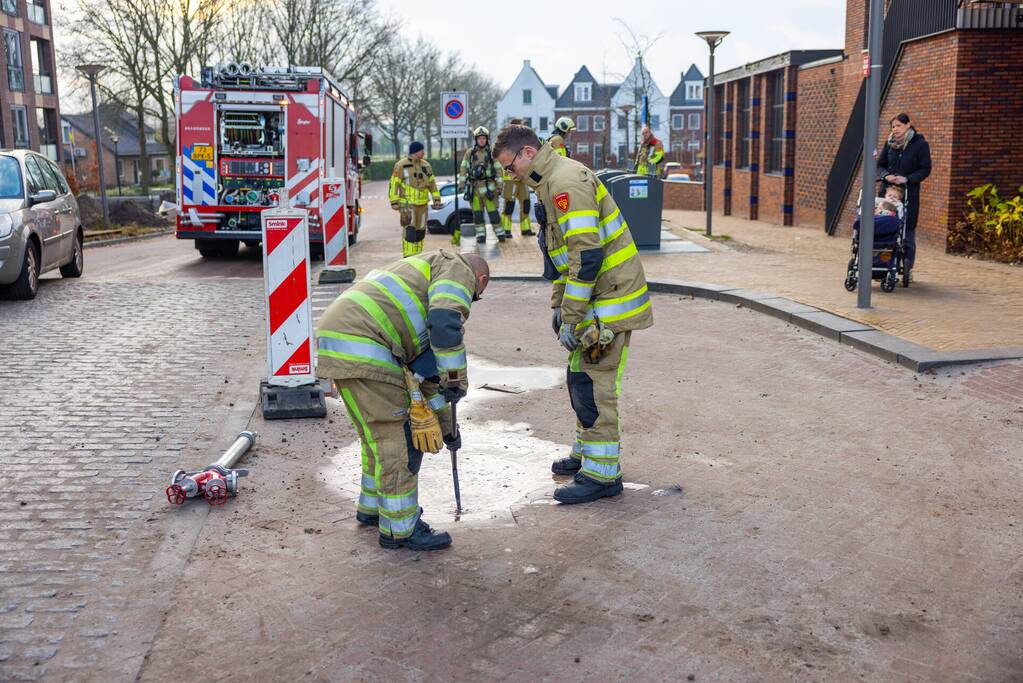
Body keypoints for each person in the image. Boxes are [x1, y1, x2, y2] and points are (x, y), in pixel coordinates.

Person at [494, 123, 654, 504]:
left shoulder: (564, 182)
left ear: (528, 153)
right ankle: (587, 455)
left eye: (509, 165)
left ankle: (601, 476)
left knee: (595, 383)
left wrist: (570, 314)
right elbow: (561, 258)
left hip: (609, 301)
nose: (508, 174)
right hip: (595, 299)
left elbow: (587, 256)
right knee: (580, 375)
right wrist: (558, 305)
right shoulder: (549, 183)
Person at [316, 250, 490, 550]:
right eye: (475, 297)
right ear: (480, 281)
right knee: (399, 440)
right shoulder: (458, 269)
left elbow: (427, 382)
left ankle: (372, 509)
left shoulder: (424, 270)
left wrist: (449, 429)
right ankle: (401, 528)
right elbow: (446, 322)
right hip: (366, 344)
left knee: (377, 438)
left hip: (344, 340)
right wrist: (455, 380)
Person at [877, 113, 931, 278]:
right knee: (884, 227)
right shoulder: (889, 143)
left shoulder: (920, 145)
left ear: (908, 125)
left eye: (898, 126)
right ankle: (882, 263)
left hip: (908, 194)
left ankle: (908, 267)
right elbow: (880, 165)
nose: (895, 129)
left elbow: (925, 169)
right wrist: (886, 176)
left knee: (907, 232)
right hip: (887, 194)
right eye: (893, 126)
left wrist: (906, 179)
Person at [388, 141, 442, 257]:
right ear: (415, 151)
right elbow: (394, 184)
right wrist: (394, 201)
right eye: (421, 150)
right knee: (410, 231)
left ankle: (418, 256)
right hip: (407, 205)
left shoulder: (426, 165)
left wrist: (436, 199)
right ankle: (408, 257)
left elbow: (432, 183)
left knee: (420, 232)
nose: (423, 152)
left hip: (423, 205)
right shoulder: (401, 165)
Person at [459, 126, 504, 245]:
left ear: (487, 139)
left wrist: (500, 186)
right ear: (476, 139)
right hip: (474, 189)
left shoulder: (492, 153)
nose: (482, 140)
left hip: (489, 188)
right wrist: (461, 184)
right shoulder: (470, 153)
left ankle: (500, 234)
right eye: (479, 138)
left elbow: (499, 170)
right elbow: (463, 168)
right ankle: (480, 235)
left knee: (493, 213)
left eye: (484, 138)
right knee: (477, 214)